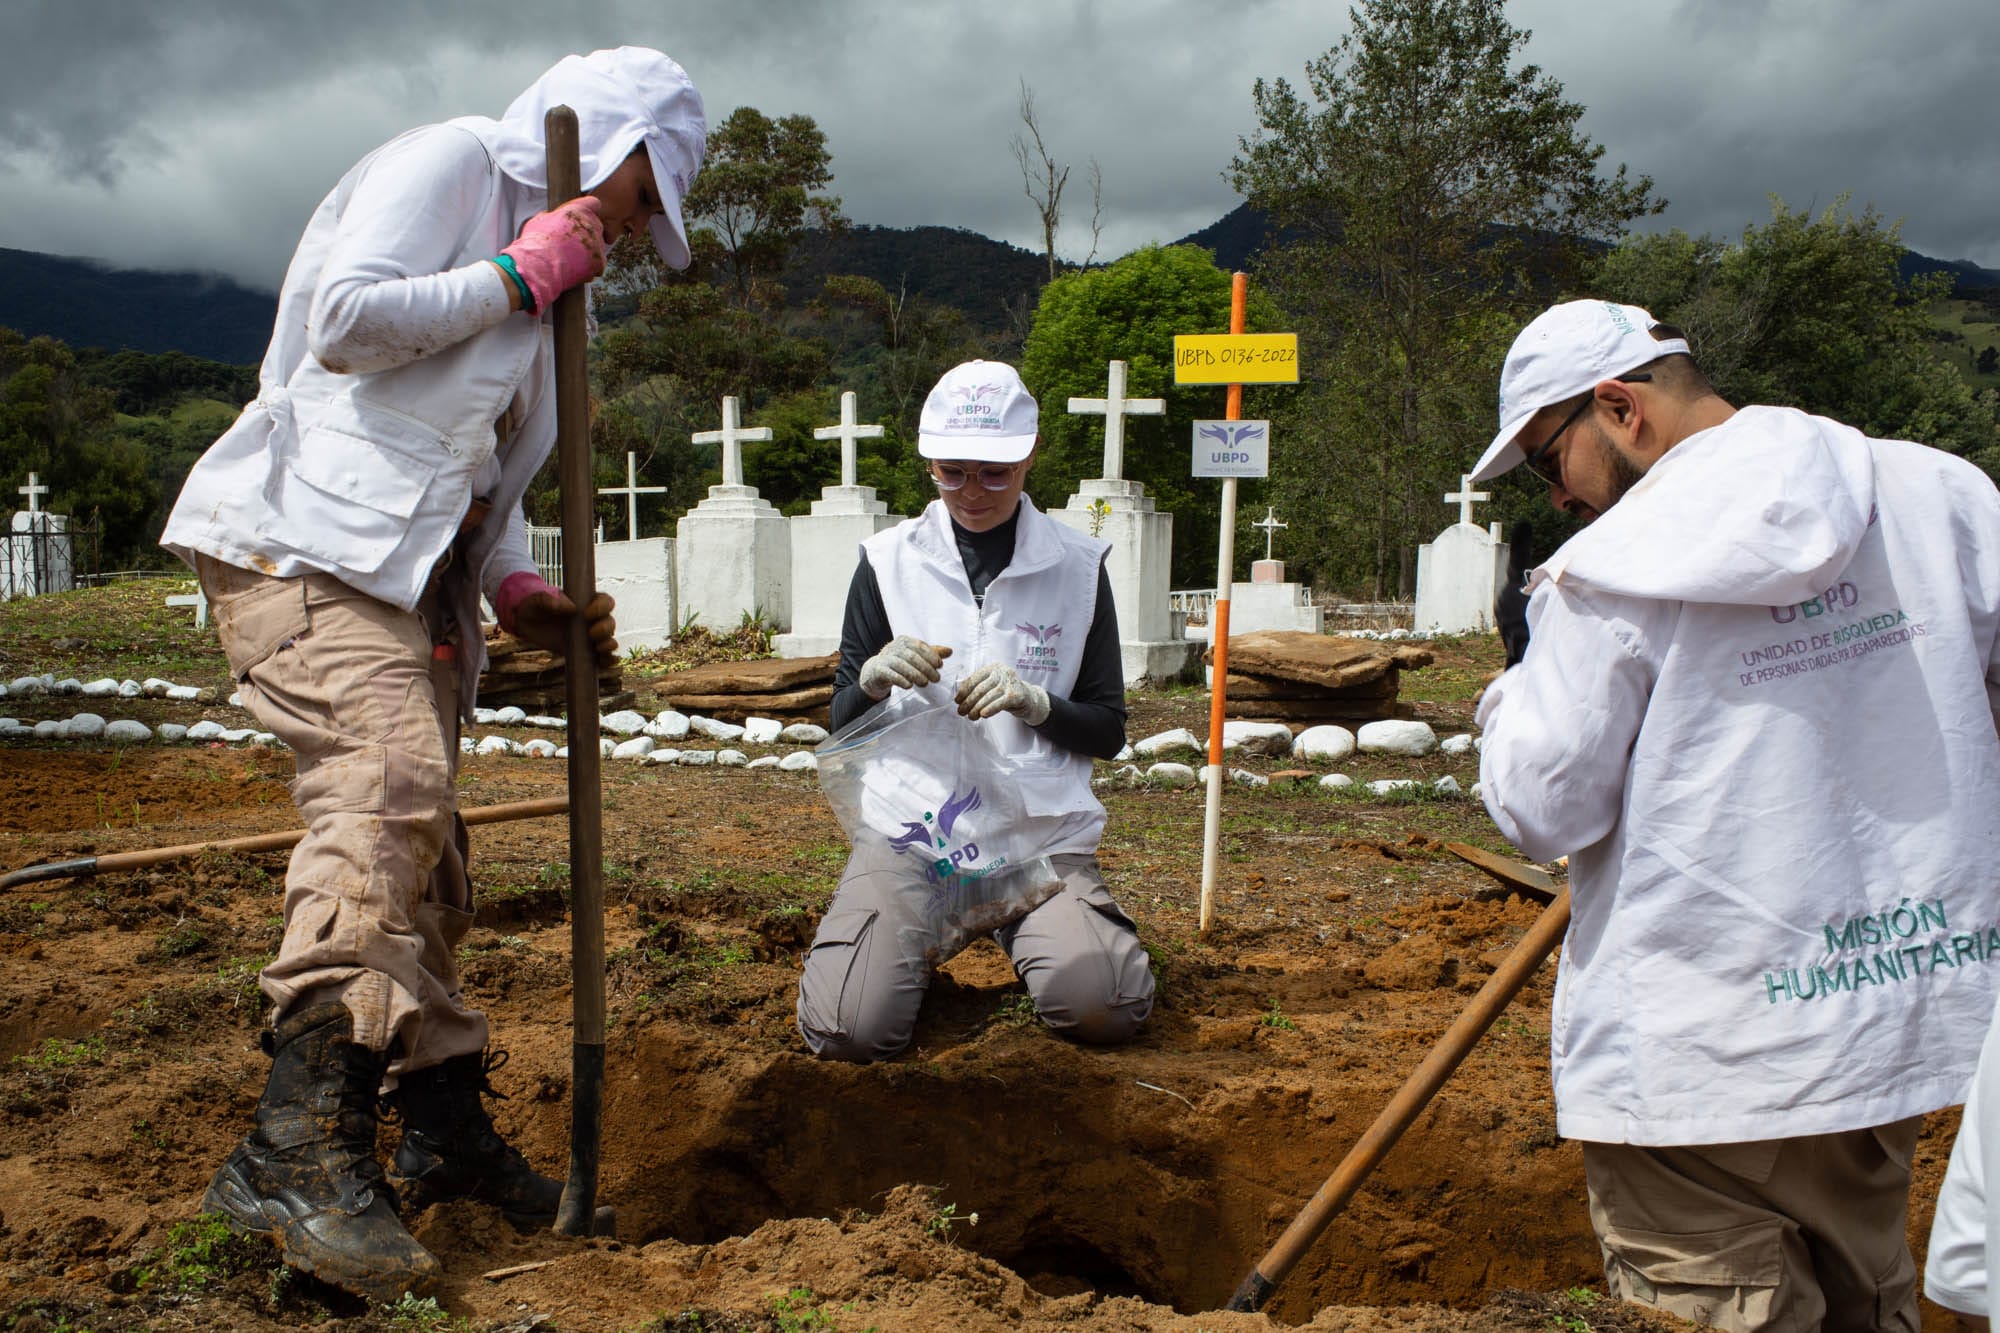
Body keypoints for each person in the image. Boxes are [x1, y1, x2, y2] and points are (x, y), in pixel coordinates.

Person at [158, 48, 706, 1302]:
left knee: (429, 859)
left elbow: (479, 483)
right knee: (388, 783)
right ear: (616, 143)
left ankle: (439, 1122)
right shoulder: (454, 164)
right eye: (641, 195)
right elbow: (342, 322)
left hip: (414, 588)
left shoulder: (565, 282)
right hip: (301, 546)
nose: (633, 224)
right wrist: (516, 275)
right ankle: (290, 1148)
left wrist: (521, 590)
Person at [1469, 299, 2000, 1331]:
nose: (1558, 495)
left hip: (1692, 1070)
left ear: (1618, 407)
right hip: (1880, 1027)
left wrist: (1512, 690)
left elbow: (1542, 804)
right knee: (1865, 1293)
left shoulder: (1608, 568)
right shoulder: (1937, 494)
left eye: (1547, 459)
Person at [795, 359, 1156, 1062]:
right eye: (952, 472)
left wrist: (1037, 702)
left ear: (1029, 456)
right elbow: (842, 717)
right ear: (929, 460)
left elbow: (1107, 728)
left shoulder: (1078, 569)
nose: (972, 492)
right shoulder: (887, 560)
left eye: (996, 473)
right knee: (847, 1026)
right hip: (916, 832)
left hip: (1039, 835)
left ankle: (1043, 931)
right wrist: (869, 680)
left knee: (1106, 1002)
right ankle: (900, 944)